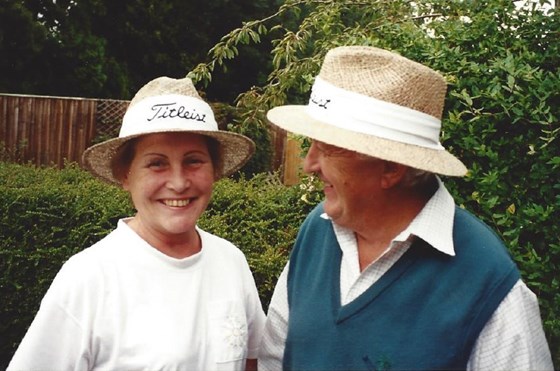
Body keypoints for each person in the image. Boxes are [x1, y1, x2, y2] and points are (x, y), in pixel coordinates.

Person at [258, 46, 554, 370]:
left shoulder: (489, 285)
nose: (308, 163)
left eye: (327, 147)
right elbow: (276, 358)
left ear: (391, 168)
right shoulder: (318, 228)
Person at [8, 76, 265, 370]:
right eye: (156, 163)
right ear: (125, 175)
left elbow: (252, 360)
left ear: (214, 169)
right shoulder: (88, 277)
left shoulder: (231, 261)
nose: (179, 183)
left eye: (194, 161)